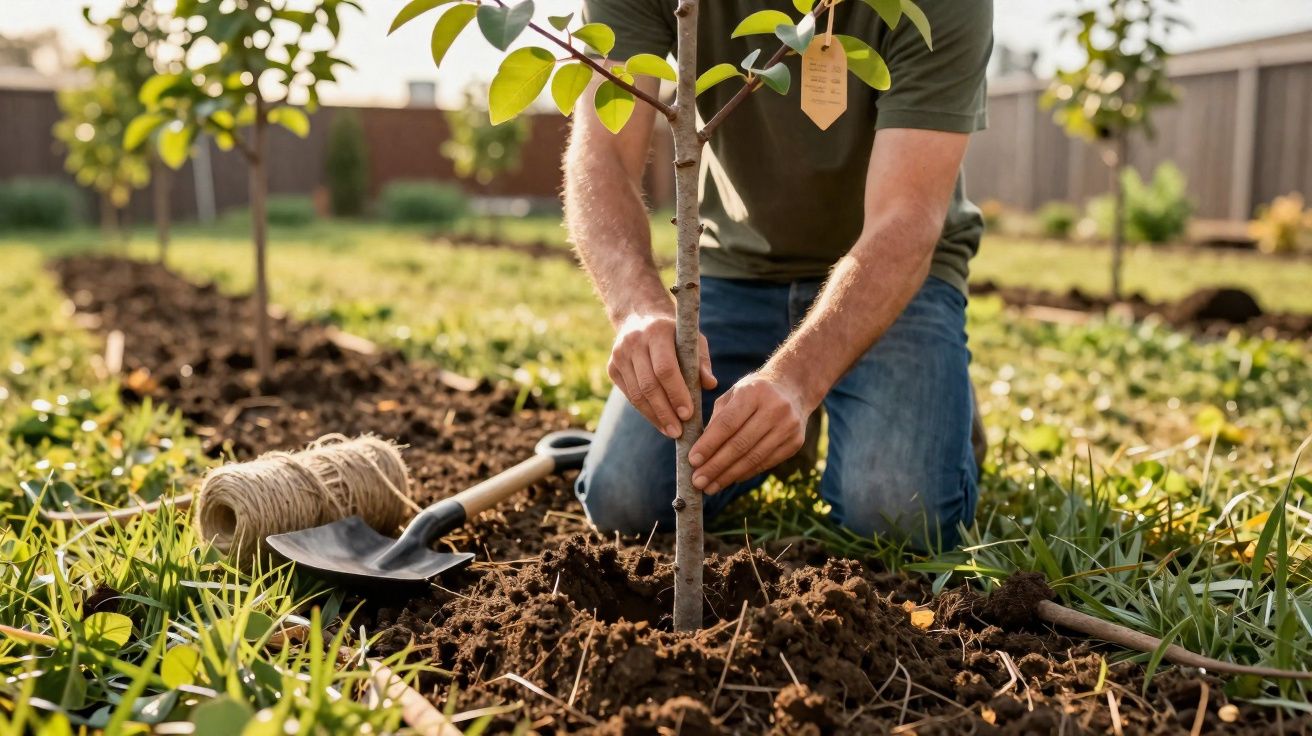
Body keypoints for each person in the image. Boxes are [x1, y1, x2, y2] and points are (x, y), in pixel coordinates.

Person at [563, 0, 993, 549]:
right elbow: (602, 154)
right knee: (626, 500)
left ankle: (931, 395)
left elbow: (904, 219)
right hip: (734, 267)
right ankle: (790, 424)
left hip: (893, 274)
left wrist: (799, 378)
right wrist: (637, 305)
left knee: (897, 513)